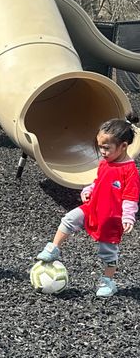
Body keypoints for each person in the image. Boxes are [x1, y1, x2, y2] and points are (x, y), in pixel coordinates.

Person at [36, 114, 140, 297]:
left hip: (110, 218)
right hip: (92, 207)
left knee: (108, 252)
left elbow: (130, 197)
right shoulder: (105, 163)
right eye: (100, 147)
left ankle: (107, 282)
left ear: (124, 146)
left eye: (106, 148)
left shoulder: (129, 171)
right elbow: (99, 181)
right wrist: (89, 189)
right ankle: (53, 249)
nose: (102, 152)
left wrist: (128, 216)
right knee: (68, 219)